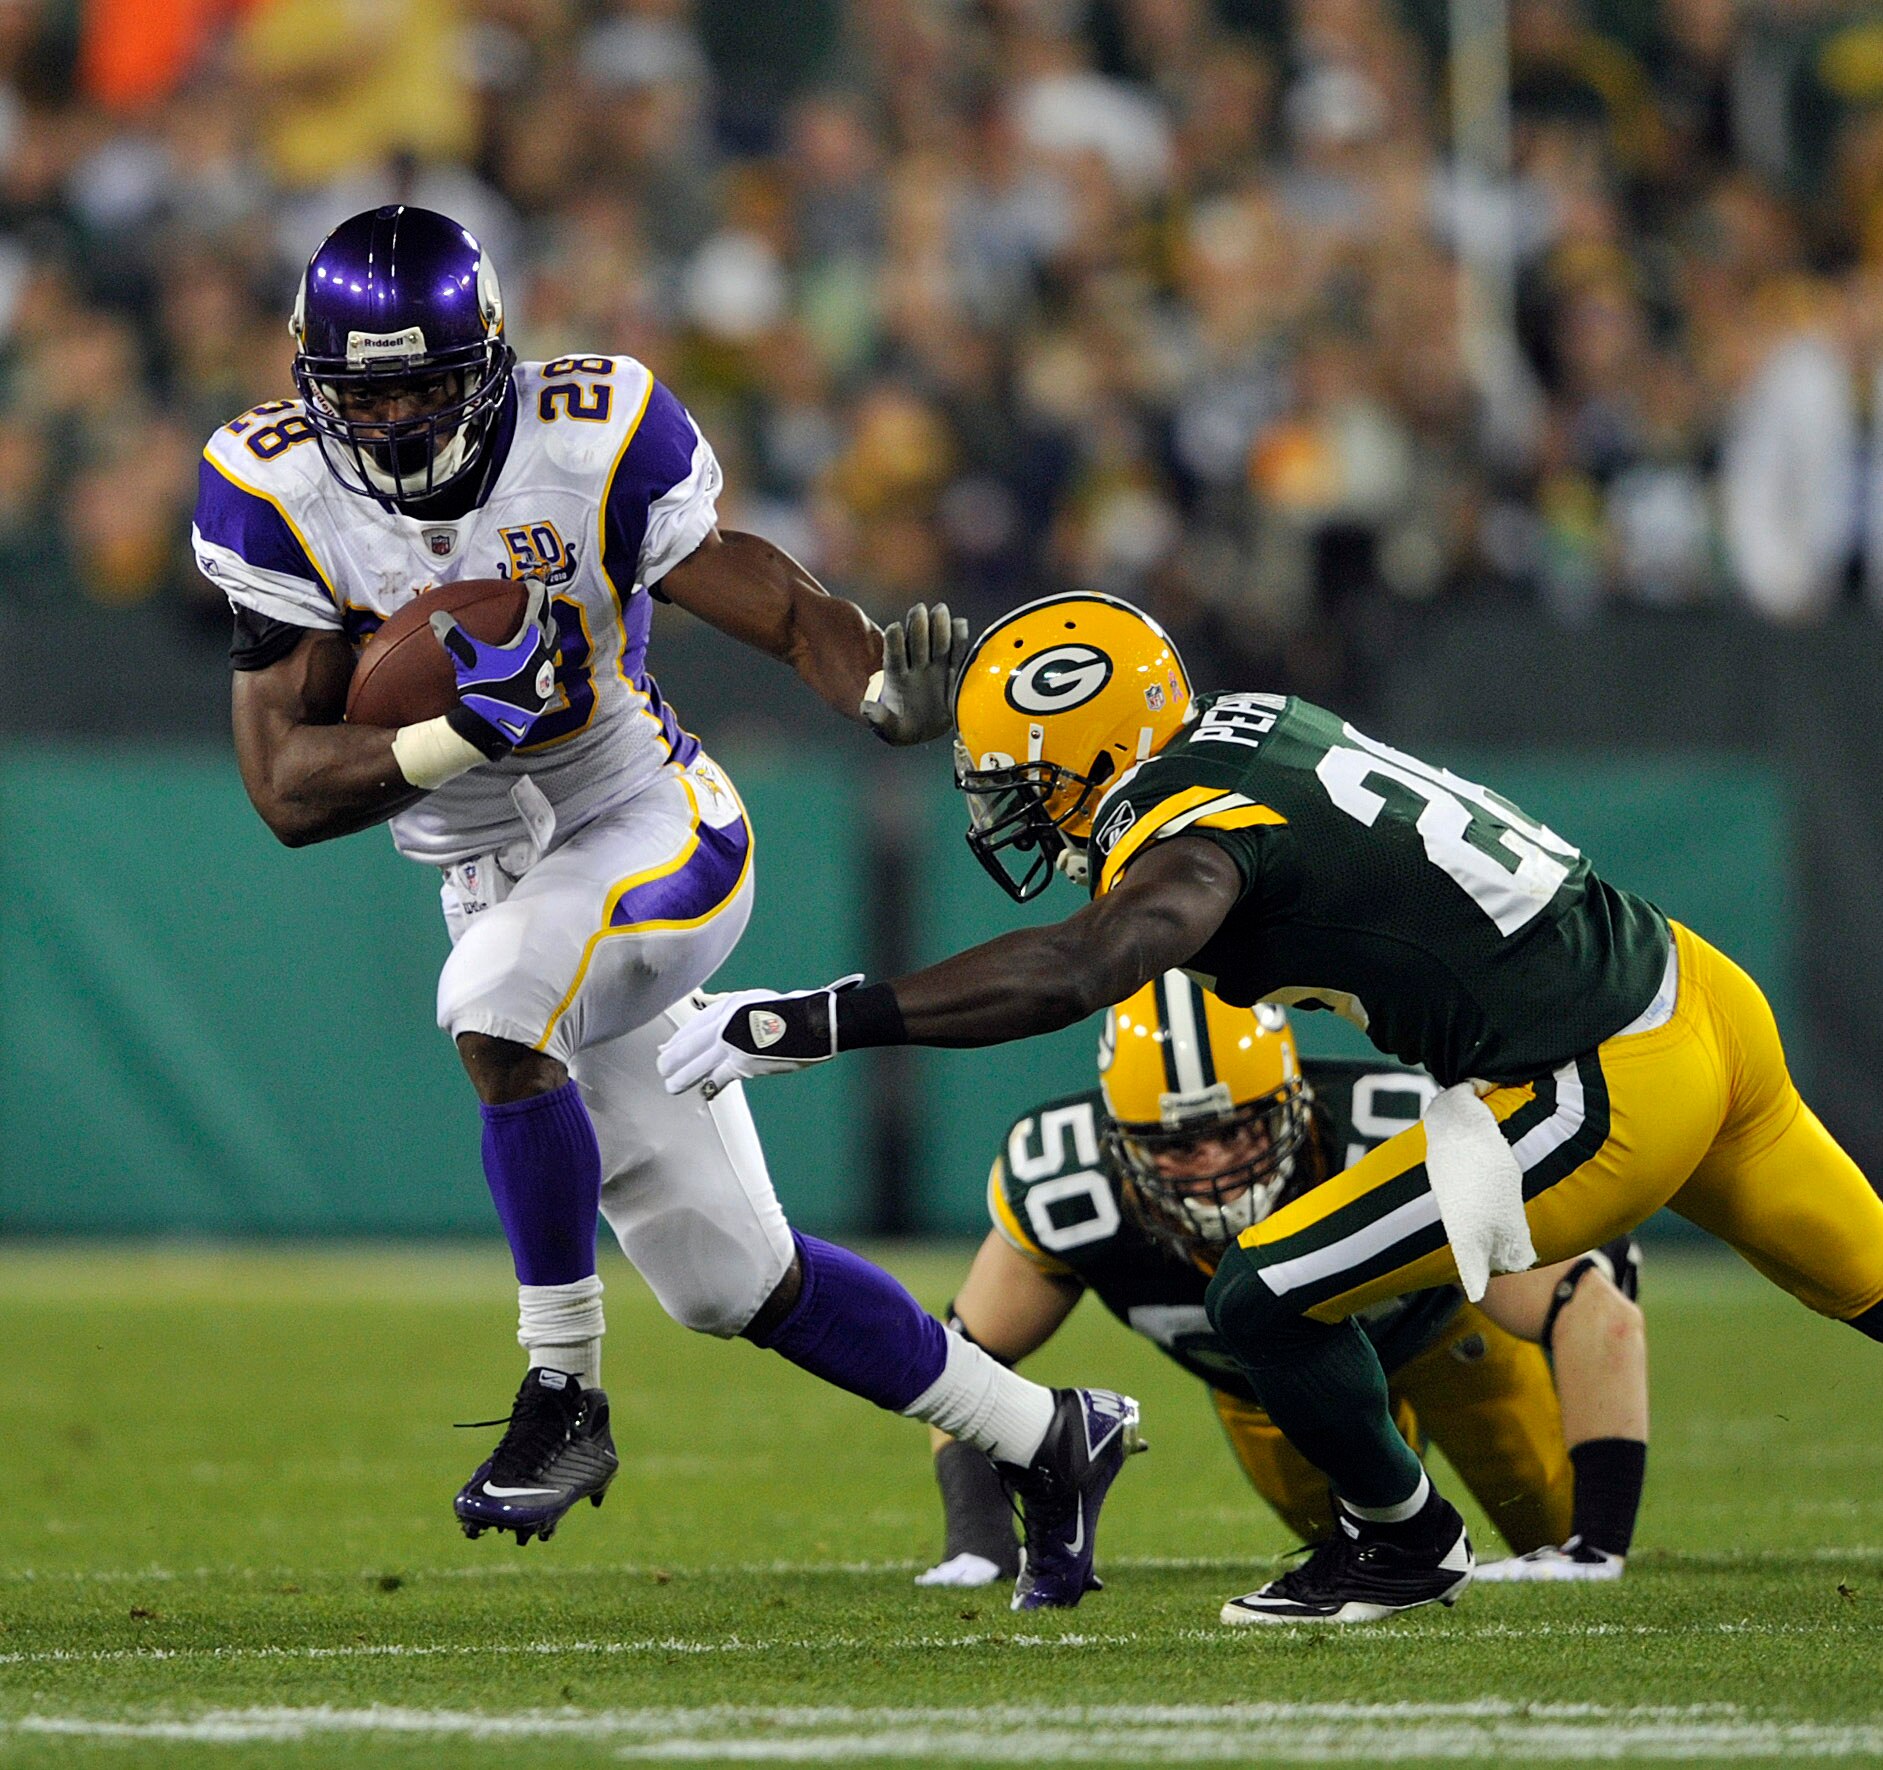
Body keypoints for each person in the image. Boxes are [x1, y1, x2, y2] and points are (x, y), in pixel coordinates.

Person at [189, 207, 1143, 1610]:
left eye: (424, 387)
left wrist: (867, 679)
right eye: (364, 393)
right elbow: (283, 784)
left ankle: (560, 1388)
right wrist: (463, 729)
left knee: (495, 1003)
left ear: (493, 363)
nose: (393, 424)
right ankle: (1051, 1436)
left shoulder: (588, 431)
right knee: (724, 1279)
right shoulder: (267, 489)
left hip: (650, 827)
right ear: (311, 386)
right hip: (496, 883)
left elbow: (764, 590)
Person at [659, 589, 1883, 1625]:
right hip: (1693, 992)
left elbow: (1086, 966)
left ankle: (1401, 1541)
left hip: (1592, 1078)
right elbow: (1083, 701)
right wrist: (933, 720)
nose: (1007, 809)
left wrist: (816, 1019)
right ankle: (1400, 1534)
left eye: (1019, 782)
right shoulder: (1241, 727)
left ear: (1094, 757)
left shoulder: (1187, 826)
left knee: (1262, 1293)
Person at [917, 974, 1647, 1590]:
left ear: (1295, 1105)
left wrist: (1597, 1544)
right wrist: (979, 1540)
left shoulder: (1391, 1132)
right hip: (1275, 1398)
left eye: (1238, 1130)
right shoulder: (1070, 1188)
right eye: (1176, 1145)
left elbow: (1589, 1306)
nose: (1212, 1167)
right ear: (1118, 1141)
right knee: (1366, 1573)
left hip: (1444, 1339)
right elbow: (965, 1360)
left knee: (1552, 1535)